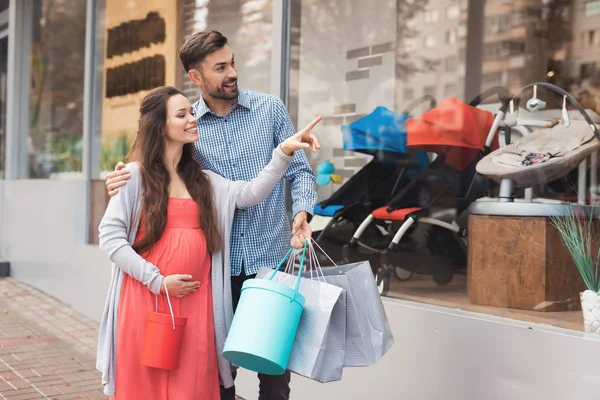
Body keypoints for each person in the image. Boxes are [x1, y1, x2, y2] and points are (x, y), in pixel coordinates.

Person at [104, 30, 318, 399]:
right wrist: (119, 178)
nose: (232, 72)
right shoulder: (191, 127)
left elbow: (295, 173)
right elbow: (153, 164)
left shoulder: (270, 110)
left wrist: (302, 210)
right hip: (218, 271)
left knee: (274, 372)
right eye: (220, 67)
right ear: (196, 77)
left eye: (233, 62)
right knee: (221, 376)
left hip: (270, 262)